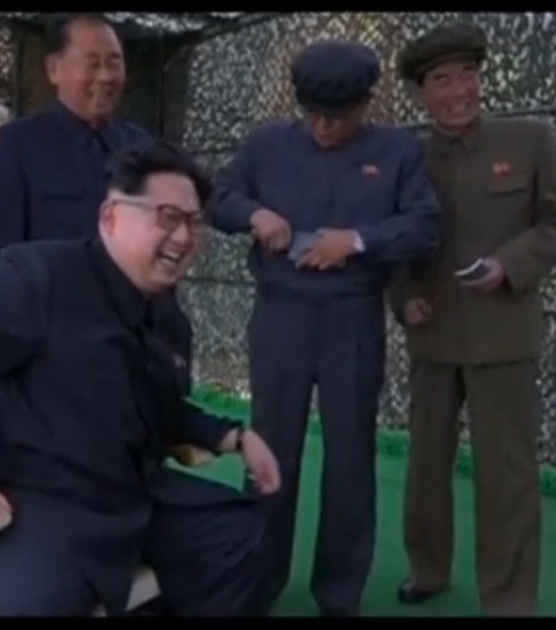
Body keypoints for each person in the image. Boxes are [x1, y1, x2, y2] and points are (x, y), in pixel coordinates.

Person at [0, 142, 280, 616]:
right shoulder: (37, 277)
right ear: (110, 216)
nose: (184, 237)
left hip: (129, 492)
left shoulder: (166, 314)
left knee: (241, 538)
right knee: (38, 605)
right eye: (167, 217)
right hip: (33, 499)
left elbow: (157, 406)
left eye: (194, 222)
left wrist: (232, 436)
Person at [210, 41, 441, 616]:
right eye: (312, 113)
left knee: (350, 457)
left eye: (337, 117)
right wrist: (254, 214)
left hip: (351, 318)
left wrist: (357, 242)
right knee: (270, 448)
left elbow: (424, 226)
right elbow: (218, 198)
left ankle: (339, 595)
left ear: (366, 103)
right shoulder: (266, 144)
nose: (323, 127)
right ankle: (257, 581)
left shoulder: (398, 151)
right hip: (281, 315)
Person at [391, 23, 556, 616]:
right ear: (420, 93)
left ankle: (508, 596)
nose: (460, 91)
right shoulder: (406, 156)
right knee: (426, 466)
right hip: (433, 335)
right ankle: (428, 569)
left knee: (508, 474)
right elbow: (394, 240)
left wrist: (508, 265)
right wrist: (403, 297)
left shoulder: (530, 140)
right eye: (442, 80)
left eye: (468, 74)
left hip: (504, 336)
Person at [0, 12, 151, 266]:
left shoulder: (141, 147)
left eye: (114, 63)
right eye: (92, 64)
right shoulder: (17, 146)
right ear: (54, 69)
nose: (105, 76)